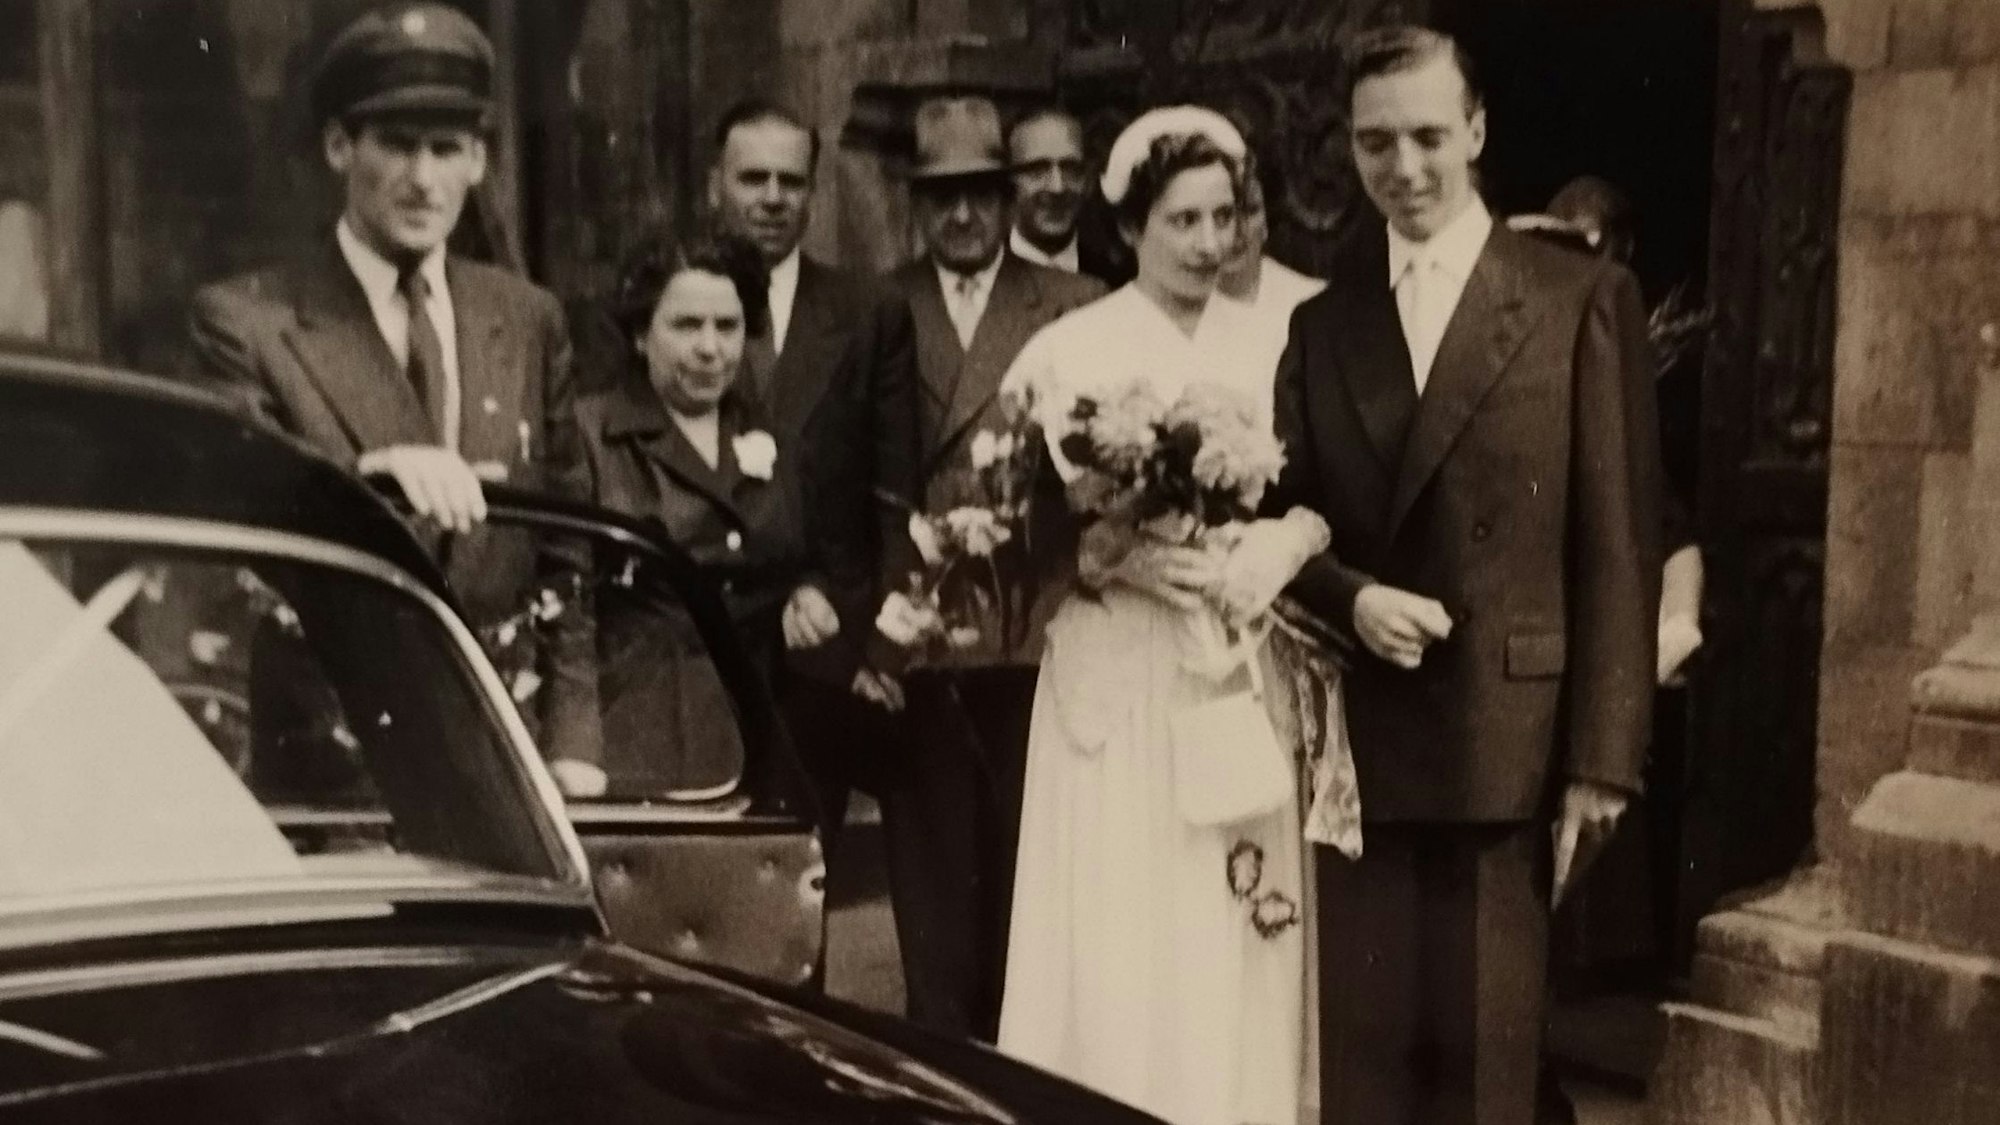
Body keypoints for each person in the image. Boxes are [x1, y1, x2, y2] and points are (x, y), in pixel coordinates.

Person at [1253, 27, 1662, 1125]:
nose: (1404, 168)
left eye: (1428, 136)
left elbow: (1616, 542)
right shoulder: (1322, 323)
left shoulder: (1577, 297)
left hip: (1510, 755)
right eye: (1375, 142)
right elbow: (1277, 526)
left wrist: (1602, 764)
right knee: (1369, 1080)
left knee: (1485, 1085)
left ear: (1474, 132)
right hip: (1364, 762)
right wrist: (1349, 597)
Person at [996, 106, 1321, 1125]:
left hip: (1227, 652)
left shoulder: (1278, 335)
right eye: (1181, 219)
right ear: (1131, 225)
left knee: (1225, 901)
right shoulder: (1068, 350)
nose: (1207, 242)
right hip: (1114, 664)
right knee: (1117, 902)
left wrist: (1268, 549)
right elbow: (1007, 532)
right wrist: (1118, 557)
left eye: (1223, 217)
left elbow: (1318, 496)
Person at [186, 1, 599, 795]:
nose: (422, 178)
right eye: (397, 144)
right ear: (341, 146)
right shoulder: (249, 322)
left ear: (479, 161)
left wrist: (577, 749)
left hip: (503, 761)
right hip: (334, 763)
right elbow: (241, 519)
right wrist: (370, 467)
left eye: (447, 148)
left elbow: (566, 553)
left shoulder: (526, 317)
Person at [878, 93, 1105, 1040]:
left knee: (1038, 912)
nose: (963, 216)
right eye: (942, 197)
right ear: (914, 204)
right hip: (926, 643)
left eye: (980, 192)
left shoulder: (1076, 307)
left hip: (1038, 637)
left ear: (1011, 196)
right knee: (936, 928)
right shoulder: (878, 304)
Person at [705, 98, 919, 836]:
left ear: (813, 190)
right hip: (702, 645)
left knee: (801, 882)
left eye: (789, 181)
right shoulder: (669, 304)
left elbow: (894, 491)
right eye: (751, 178)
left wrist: (883, 648)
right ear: (714, 185)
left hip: (820, 651)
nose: (770, 198)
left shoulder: (868, 310)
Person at [568, 233, 832, 803]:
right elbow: (565, 600)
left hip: (756, 728)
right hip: (639, 729)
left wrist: (807, 591)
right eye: (687, 326)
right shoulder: (590, 436)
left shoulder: (773, 442)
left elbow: (806, 553)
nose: (711, 349)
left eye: (728, 326)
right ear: (641, 334)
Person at [1219, 153, 1326, 341]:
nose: (1236, 230)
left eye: (1250, 210)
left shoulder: (1311, 303)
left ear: (1267, 220)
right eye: (1221, 214)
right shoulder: (1163, 304)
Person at [1005, 104, 1111, 282]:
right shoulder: (981, 280)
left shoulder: (1113, 280)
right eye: (1037, 170)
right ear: (1008, 181)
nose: (1057, 187)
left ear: (1087, 180)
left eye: (1071, 169)